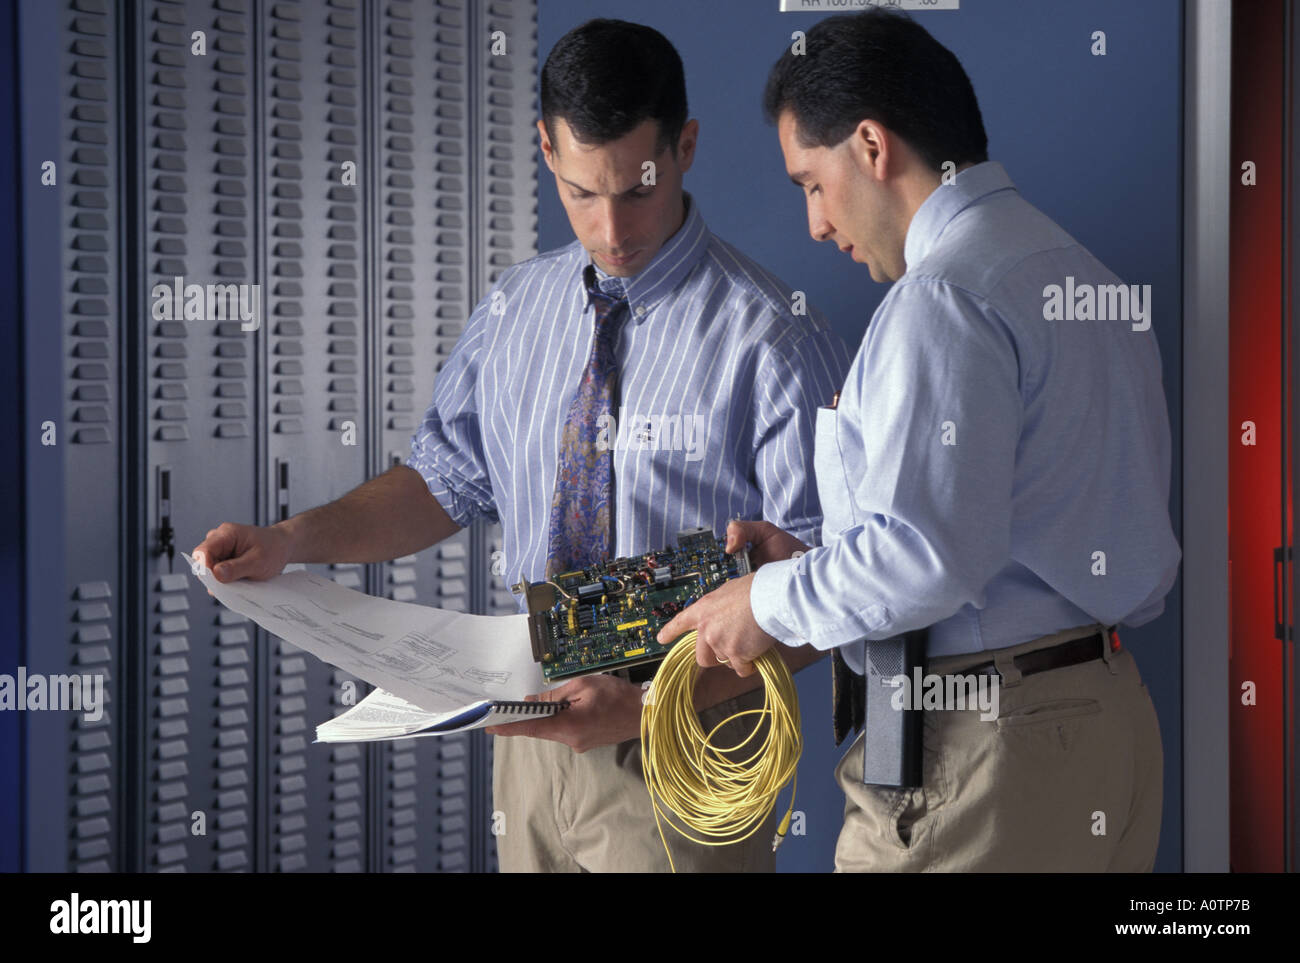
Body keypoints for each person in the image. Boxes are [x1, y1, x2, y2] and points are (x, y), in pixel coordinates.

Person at [193, 18, 849, 873]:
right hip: (530, 739)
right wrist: (292, 540)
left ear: (684, 147)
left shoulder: (772, 339)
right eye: (583, 192)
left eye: (637, 190)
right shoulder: (516, 309)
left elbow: (825, 597)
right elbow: (440, 481)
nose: (613, 229)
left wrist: (648, 702)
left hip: (688, 735)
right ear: (545, 149)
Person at [661, 8, 1180, 872]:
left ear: (870, 146)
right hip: (1108, 729)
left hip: (984, 754)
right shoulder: (1086, 279)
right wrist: (826, 555)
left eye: (811, 183)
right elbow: (993, 521)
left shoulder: (941, 299)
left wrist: (765, 600)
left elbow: (929, 554)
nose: (817, 225)